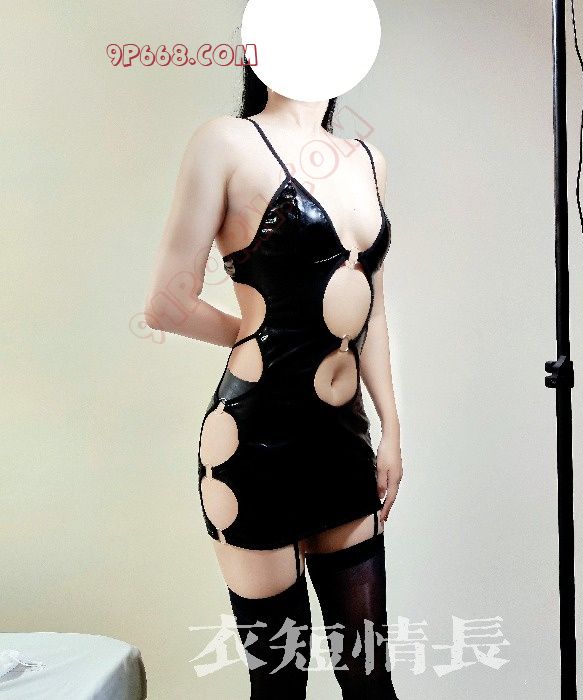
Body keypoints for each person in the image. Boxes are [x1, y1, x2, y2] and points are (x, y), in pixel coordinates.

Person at [144, 64, 402, 699]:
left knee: (370, 682)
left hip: (342, 441)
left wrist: (391, 429)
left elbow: (372, 308)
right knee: (282, 688)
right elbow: (166, 304)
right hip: (254, 443)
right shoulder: (226, 142)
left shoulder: (368, 161)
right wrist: (254, 332)